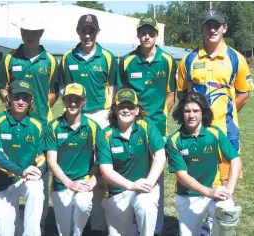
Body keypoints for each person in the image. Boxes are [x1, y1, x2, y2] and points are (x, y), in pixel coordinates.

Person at [176, 9, 254, 233]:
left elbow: (243, 94)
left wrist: (225, 114)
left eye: (216, 25)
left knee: (225, 181)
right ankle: (197, 221)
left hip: (226, 131)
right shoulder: (189, 59)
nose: (212, 30)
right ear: (201, 28)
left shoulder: (235, 58)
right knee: (197, 176)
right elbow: (182, 94)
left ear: (224, 28)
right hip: (195, 133)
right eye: (207, 25)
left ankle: (213, 222)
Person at [0, 15, 59, 232]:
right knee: (9, 164)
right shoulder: (10, 58)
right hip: (13, 122)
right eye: (26, 31)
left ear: (41, 33)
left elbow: (53, 92)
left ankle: (37, 223)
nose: (29, 35)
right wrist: (11, 103)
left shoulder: (50, 60)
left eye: (34, 31)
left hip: (41, 122)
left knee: (40, 173)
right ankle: (8, 213)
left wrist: (36, 107)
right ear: (21, 32)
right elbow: (2, 87)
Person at [59, 14, 120, 233]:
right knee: (79, 163)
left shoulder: (108, 57)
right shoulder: (67, 58)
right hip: (76, 116)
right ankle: (75, 219)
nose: (87, 35)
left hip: (100, 115)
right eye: (83, 31)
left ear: (97, 32)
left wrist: (110, 114)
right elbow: (62, 88)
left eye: (91, 31)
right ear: (78, 32)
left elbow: (114, 87)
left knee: (101, 167)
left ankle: (99, 225)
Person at [118, 17, 177, 235]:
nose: (146, 36)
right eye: (142, 32)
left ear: (156, 35)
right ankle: (131, 221)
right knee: (132, 169)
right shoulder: (126, 61)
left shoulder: (168, 60)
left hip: (158, 127)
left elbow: (171, 93)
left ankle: (156, 226)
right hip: (130, 125)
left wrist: (161, 113)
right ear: (137, 35)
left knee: (156, 174)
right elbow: (120, 93)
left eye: (150, 33)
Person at [166, 91, 242, 236]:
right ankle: (204, 230)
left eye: (196, 110)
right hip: (188, 194)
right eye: (187, 111)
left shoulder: (215, 133)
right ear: (182, 113)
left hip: (215, 190)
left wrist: (229, 189)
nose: (191, 115)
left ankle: (211, 229)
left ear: (203, 113)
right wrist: (208, 192)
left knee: (228, 214)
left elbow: (235, 159)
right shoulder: (174, 140)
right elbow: (181, 175)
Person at [97, 88, 166, 236]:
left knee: (146, 206)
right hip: (117, 193)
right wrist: (131, 185)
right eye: (122, 106)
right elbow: (105, 170)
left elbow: (160, 155)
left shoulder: (146, 125)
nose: (126, 110)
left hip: (144, 186)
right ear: (114, 109)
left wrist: (149, 182)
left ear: (137, 110)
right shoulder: (105, 134)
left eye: (130, 106)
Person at [0, 80, 46, 236]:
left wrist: (39, 170)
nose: (21, 101)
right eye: (16, 97)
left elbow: (43, 156)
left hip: (28, 179)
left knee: (36, 190)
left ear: (31, 101)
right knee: (6, 231)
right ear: (9, 98)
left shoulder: (39, 125)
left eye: (25, 98)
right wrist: (21, 171)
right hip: (3, 181)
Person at [46, 83, 105, 235]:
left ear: (84, 102)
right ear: (63, 101)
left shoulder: (92, 126)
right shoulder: (53, 126)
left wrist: (93, 180)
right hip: (61, 184)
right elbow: (51, 160)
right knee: (64, 231)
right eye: (69, 99)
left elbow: (103, 158)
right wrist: (69, 183)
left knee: (83, 205)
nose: (73, 103)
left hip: (84, 181)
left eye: (77, 100)